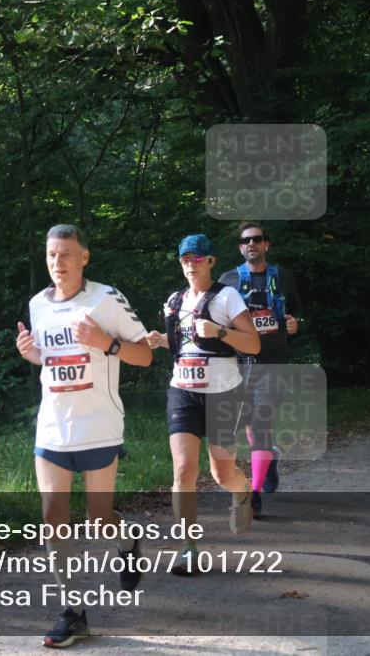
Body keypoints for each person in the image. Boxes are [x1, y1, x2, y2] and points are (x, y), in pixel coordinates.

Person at [16, 224, 153, 648]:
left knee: (98, 520)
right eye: (51, 254)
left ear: (84, 257)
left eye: (66, 254)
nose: (58, 262)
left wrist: (106, 343)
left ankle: (127, 540)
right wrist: (34, 355)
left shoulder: (105, 299)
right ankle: (73, 612)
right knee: (52, 516)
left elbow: (145, 355)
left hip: (98, 427)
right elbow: (54, 359)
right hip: (52, 428)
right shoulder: (38, 304)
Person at [145, 234, 260, 575]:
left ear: (211, 261)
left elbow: (253, 344)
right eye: (185, 259)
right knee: (183, 470)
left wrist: (220, 332)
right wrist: (161, 340)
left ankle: (242, 491)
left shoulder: (227, 297)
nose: (191, 264)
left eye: (197, 258)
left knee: (221, 473)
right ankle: (188, 548)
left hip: (223, 393)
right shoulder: (174, 300)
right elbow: (184, 344)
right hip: (183, 390)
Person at [219, 222, 304, 517]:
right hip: (239, 365)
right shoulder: (228, 280)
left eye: (257, 239)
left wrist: (295, 323)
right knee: (249, 427)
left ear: (267, 244)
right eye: (246, 241)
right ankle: (270, 458)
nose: (251, 244)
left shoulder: (283, 277)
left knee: (260, 425)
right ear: (240, 247)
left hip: (272, 364)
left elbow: (297, 313)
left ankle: (254, 494)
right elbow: (217, 318)